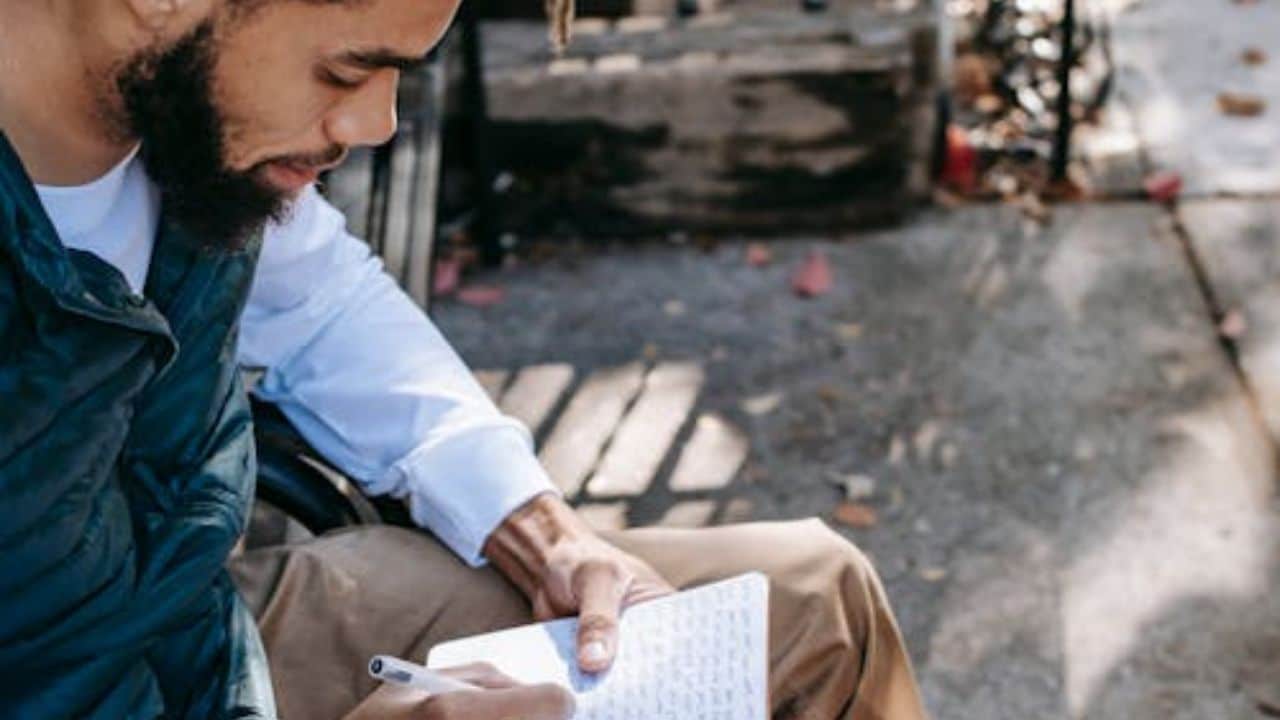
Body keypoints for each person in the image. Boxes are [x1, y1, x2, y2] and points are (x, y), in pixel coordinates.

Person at [0, 0, 929, 718]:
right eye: (347, 70)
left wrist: (543, 535)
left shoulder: (182, 121)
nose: (378, 124)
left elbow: (319, 303)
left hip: (197, 613)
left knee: (812, 601)